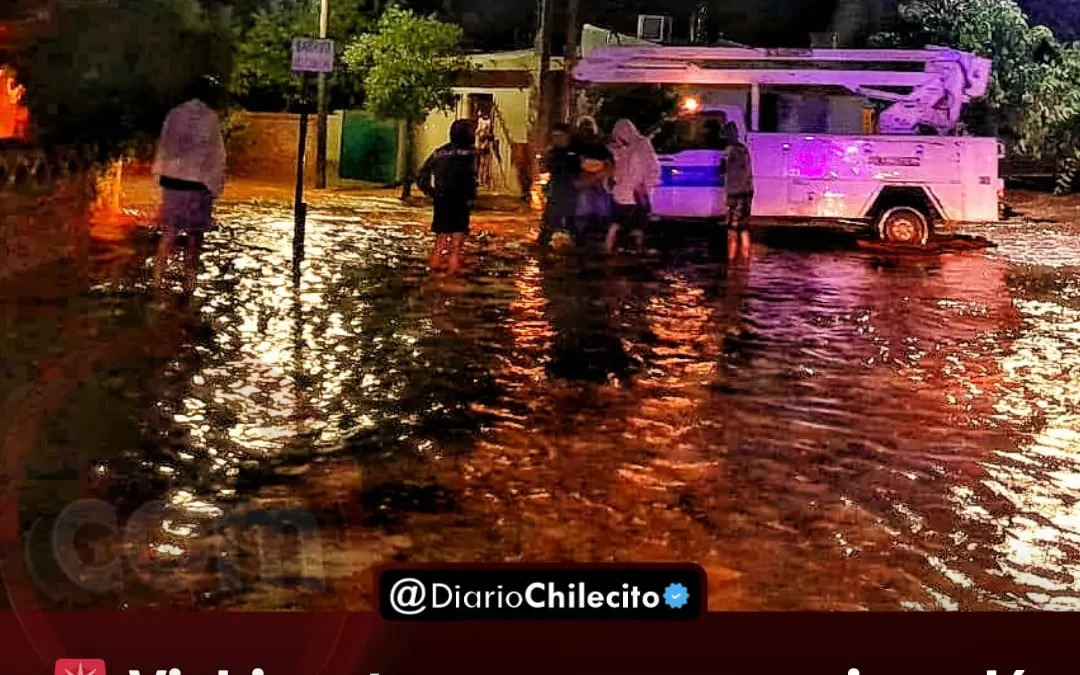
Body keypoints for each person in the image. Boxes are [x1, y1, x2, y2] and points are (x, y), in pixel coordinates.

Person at [151, 74, 228, 296]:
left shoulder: (174, 115)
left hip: (173, 182)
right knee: (195, 237)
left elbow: (164, 146)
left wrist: (160, 176)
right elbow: (216, 156)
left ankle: (158, 278)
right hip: (198, 185)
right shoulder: (210, 118)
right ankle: (189, 283)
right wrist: (215, 185)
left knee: (169, 233)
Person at [417, 119, 478, 275]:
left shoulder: (439, 152)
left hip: (442, 200)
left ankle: (432, 274)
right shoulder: (471, 153)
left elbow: (422, 175)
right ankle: (452, 280)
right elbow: (470, 178)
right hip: (460, 200)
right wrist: (471, 199)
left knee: (440, 241)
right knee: (457, 245)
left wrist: (433, 193)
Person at [606, 119, 660, 255]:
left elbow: (652, 168)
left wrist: (646, 185)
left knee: (638, 222)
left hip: (638, 192)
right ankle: (610, 247)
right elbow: (615, 170)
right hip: (622, 193)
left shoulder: (642, 145)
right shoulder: (617, 148)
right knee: (618, 221)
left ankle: (637, 247)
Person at [572, 116, 614, 244]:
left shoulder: (600, 147)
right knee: (583, 211)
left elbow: (610, 165)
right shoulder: (575, 146)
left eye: (589, 127)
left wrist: (601, 175)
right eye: (584, 127)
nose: (587, 131)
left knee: (602, 211)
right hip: (583, 186)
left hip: (599, 186)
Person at [538, 122, 581, 249]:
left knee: (571, 222)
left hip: (571, 191)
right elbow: (547, 170)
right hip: (556, 191)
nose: (557, 139)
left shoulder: (575, 151)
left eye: (560, 136)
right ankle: (544, 244)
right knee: (549, 222)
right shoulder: (553, 152)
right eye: (554, 136)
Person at [723, 121, 753, 262]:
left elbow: (732, 174)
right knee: (744, 227)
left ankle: (731, 259)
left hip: (736, 193)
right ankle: (745, 259)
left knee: (732, 229)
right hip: (746, 192)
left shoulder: (733, 151)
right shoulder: (743, 149)